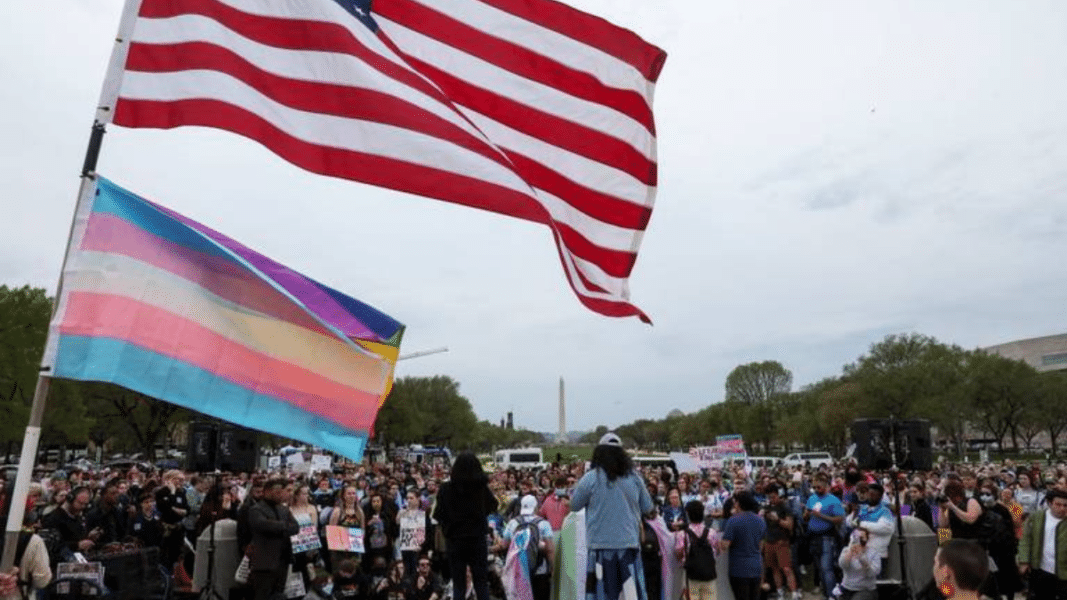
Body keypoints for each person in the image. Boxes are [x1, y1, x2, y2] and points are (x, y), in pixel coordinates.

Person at [570, 432, 656, 600]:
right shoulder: (635, 478)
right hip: (628, 546)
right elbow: (648, 508)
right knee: (630, 594)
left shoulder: (590, 478)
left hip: (600, 548)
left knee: (602, 594)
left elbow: (574, 506)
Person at [432, 452, 498, 600]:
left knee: (458, 583)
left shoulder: (445, 489)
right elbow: (493, 505)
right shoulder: (481, 489)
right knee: (481, 582)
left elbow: (438, 514)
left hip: (455, 540)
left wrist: (448, 527)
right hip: (477, 539)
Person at [248, 478, 300, 600]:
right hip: (264, 562)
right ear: (267, 491)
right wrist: (283, 526)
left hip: (283, 561)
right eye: (277, 492)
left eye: (281, 492)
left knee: (280, 594)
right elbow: (263, 525)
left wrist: (278, 526)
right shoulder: (256, 509)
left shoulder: (284, 509)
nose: (281, 495)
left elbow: (295, 527)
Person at [499, 494, 554, 600]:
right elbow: (550, 549)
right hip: (539, 570)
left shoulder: (513, 523)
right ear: (536, 507)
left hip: (518, 571)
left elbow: (504, 544)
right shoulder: (543, 524)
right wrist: (552, 566)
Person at [1018, 487, 1067, 599]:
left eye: (1065, 505)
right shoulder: (1037, 517)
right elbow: (1026, 539)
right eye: (1058, 504)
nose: (1062, 508)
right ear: (1050, 503)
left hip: (1063, 572)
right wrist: (1024, 560)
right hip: (1041, 569)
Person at [804, 473, 845, 600]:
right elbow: (806, 516)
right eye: (815, 487)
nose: (817, 490)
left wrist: (821, 516)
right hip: (813, 536)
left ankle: (832, 595)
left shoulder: (833, 500)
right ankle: (825, 592)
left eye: (819, 487)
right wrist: (807, 514)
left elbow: (839, 519)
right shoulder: (812, 498)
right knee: (819, 568)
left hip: (827, 537)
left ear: (826, 486)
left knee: (826, 567)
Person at [720, 490, 766, 600]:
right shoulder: (761, 520)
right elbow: (761, 546)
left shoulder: (733, 520)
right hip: (756, 567)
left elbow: (725, 545)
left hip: (739, 569)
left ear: (739, 503)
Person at [762, 484, 799, 600]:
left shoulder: (785, 507)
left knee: (787, 568)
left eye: (773, 497)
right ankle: (780, 593)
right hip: (769, 541)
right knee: (774, 569)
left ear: (778, 495)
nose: (771, 500)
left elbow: (790, 525)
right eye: (769, 497)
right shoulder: (767, 507)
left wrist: (777, 519)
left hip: (782, 541)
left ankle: (794, 593)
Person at [674, 500, 717, 600]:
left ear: (688, 513)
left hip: (690, 575)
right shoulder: (711, 532)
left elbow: (679, 553)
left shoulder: (683, 534)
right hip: (709, 573)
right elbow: (717, 551)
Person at [836, 527, 879, 600]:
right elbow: (842, 565)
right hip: (847, 589)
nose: (859, 541)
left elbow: (872, 573)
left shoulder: (873, 553)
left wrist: (861, 558)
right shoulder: (846, 550)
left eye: (861, 539)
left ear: (867, 540)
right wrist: (850, 551)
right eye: (856, 538)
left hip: (865, 590)